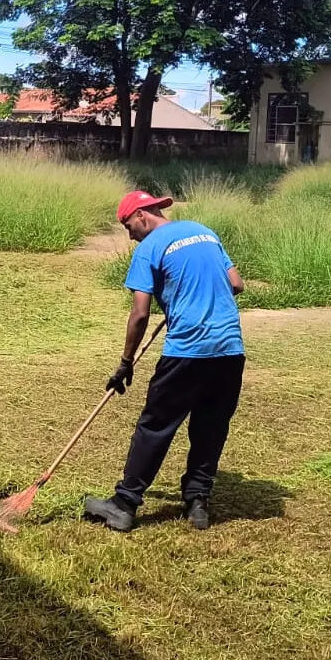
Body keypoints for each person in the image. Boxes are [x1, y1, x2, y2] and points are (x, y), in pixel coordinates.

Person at [83, 190, 246, 533]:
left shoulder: (149, 249)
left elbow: (140, 314)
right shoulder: (205, 231)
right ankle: (198, 501)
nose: (130, 235)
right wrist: (194, 294)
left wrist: (126, 362)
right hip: (230, 350)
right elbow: (236, 283)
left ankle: (124, 504)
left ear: (142, 215)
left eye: (128, 226)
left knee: (155, 425)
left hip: (187, 352)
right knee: (211, 426)